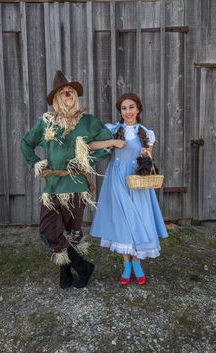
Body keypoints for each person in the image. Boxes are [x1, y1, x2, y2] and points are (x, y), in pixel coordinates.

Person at [20, 70, 113, 289]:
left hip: (77, 187)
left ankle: (66, 273)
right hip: (53, 187)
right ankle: (82, 266)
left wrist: (87, 160)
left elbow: (107, 144)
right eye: (62, 91)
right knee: (48, 231)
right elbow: (26, 143)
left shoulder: (88, 122)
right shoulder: (45, 123)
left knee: (73, 233)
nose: (67, 92)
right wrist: (36, 162)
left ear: (75, 95)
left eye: (69, 89)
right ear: (56, 98)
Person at [89, 93, 168, 285]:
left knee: (138, 219)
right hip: (116, 179)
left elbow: (148, 159)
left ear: (138, 109)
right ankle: (126, 266)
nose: (127, 112)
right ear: (121, 112)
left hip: (137, 180)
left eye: (131, 107)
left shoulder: (146, 133)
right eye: (124, 108)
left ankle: (137, 263)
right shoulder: (113, 129)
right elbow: (90, 145)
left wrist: (145, 152)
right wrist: (112, 142)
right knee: (122, 221)